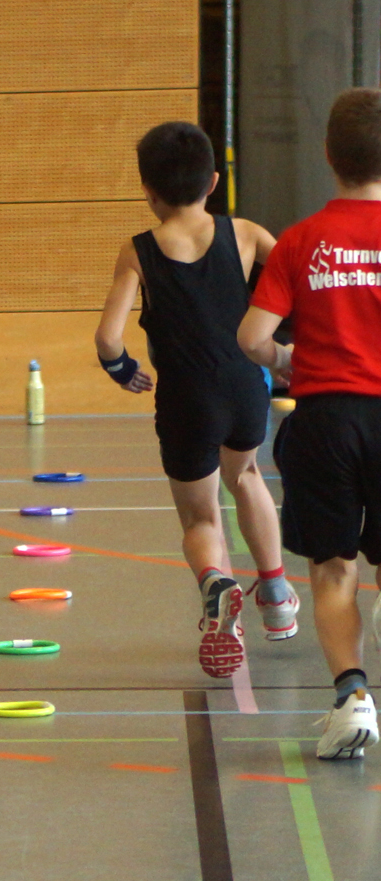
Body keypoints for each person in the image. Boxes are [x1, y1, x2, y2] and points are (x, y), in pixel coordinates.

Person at [94, 120, 296, 681]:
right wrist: (287, 348)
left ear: (148, 191)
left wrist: (123, 370)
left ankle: (216, 582)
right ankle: (276, 595)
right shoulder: (246, 233)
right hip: (244, 385)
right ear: (212, 182)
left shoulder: (138, 250)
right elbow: (300, 280)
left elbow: (108, 338)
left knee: (201, 515)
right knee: (247, 475)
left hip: (185, 398)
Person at [241, 87, 381, 759]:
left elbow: (251, 337)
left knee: (331, 567)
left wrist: (285, 360)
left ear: (328, 156)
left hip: (327, 420)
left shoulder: (301, 240)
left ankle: (352, 698)